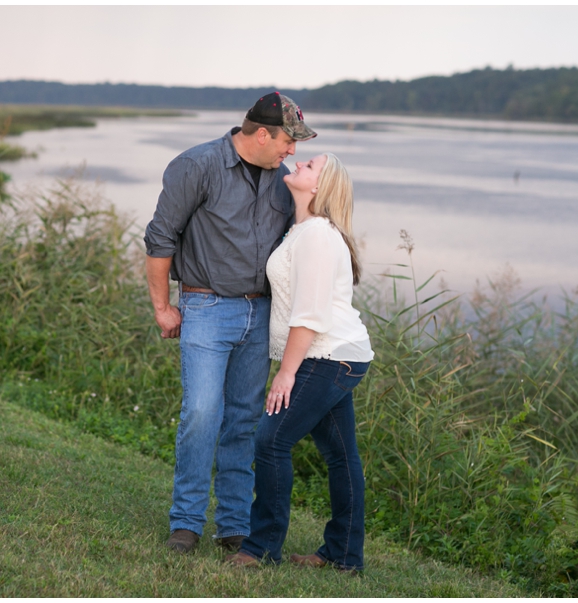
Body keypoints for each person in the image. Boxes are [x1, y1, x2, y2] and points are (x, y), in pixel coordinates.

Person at [144, 92, 317, 554]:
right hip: (205, 309)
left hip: (261, 316)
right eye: (287, 141)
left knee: (244, 422)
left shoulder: (283, 182)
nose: (291, 152)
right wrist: (163, 308)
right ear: (262, 134)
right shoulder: (196, 165)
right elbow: (160, 238)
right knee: (202, 413)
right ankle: (186, 522)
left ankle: (234, 526)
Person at [225, 153, 374, 572]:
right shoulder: (302, 230)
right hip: (335, 355)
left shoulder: (317, 236)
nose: (300, 163)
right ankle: (344, 556)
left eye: (310, 165)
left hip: (329, 357)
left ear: (318, 188)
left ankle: (260, 549)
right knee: (341, 457)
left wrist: (285, 373)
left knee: (271, 441)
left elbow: (309, 315)